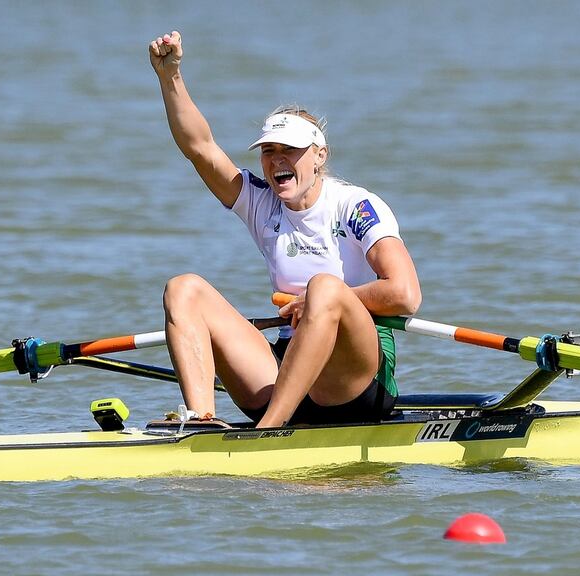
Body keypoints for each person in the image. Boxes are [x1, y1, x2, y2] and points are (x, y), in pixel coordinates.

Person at [148, 31, 422, 428]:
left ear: (319, 155)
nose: (277, 161)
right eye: (269, 151)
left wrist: (315, 303)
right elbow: (200, 148)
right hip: (284, 370)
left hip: (353, 383)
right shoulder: (262, 202)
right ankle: (201, 419)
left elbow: (405, 294)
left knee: (325, 288)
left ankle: (268, 432)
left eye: (289, 150)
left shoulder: (356, 207)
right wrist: (169, 75)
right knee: (183, 287)